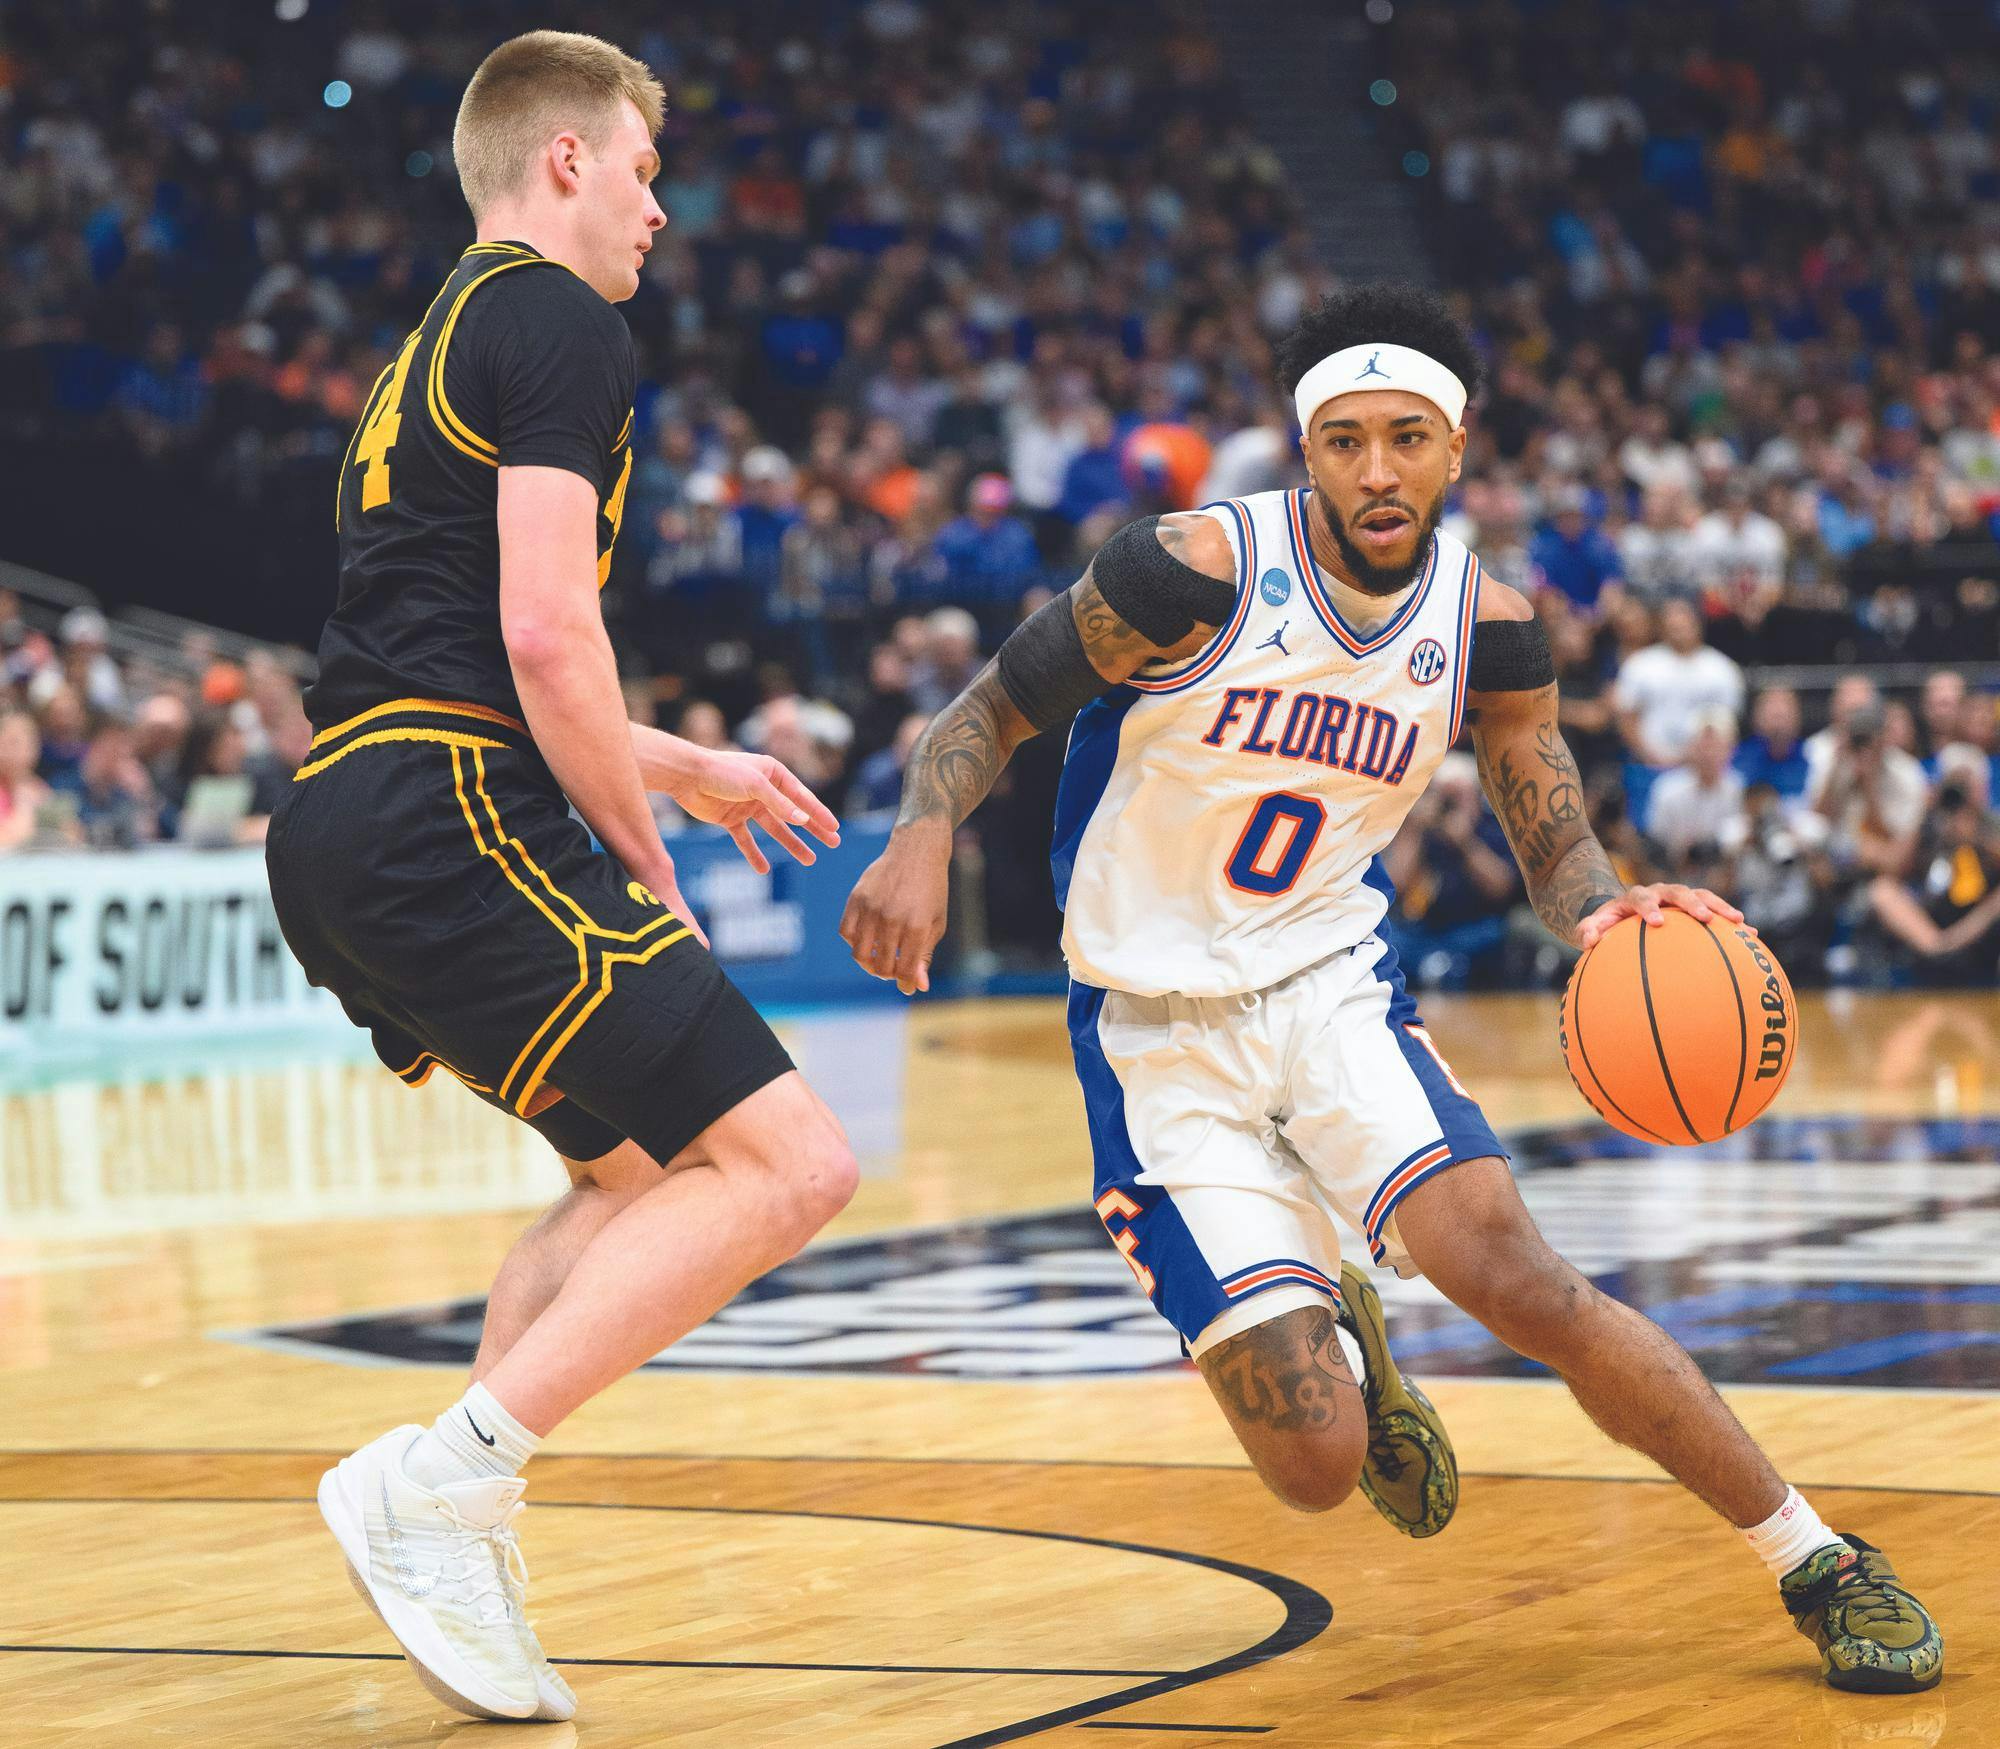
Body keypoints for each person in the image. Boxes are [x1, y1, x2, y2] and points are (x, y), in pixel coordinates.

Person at [841, 284, 1941, 1694]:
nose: (1377, 469)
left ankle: (1815, 1555)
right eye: (1346, 439)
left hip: (1330, 988)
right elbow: (991, 701)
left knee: (1526, 1281)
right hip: (1151, 1036)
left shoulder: (1492, 626)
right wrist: (920, 836)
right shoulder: (1189, 569)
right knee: (1316, 1466)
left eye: (1407, 438)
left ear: (1457, 447)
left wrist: (1604, 913)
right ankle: (1348, 1330)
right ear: (1305, 447)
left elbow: (1544, 813)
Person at [264, 33, 855, 1725]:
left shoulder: (434, 343)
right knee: (792, 1160)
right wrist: (648, 854)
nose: (663, 211)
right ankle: (440, 1481)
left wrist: (685, 762)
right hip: (446, 809)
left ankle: (455, 1497)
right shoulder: (556, 319)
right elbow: (541, 628)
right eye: (647, 171)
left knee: (637, 1173)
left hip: (354, 808)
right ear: (569, 164)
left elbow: (455, 645)